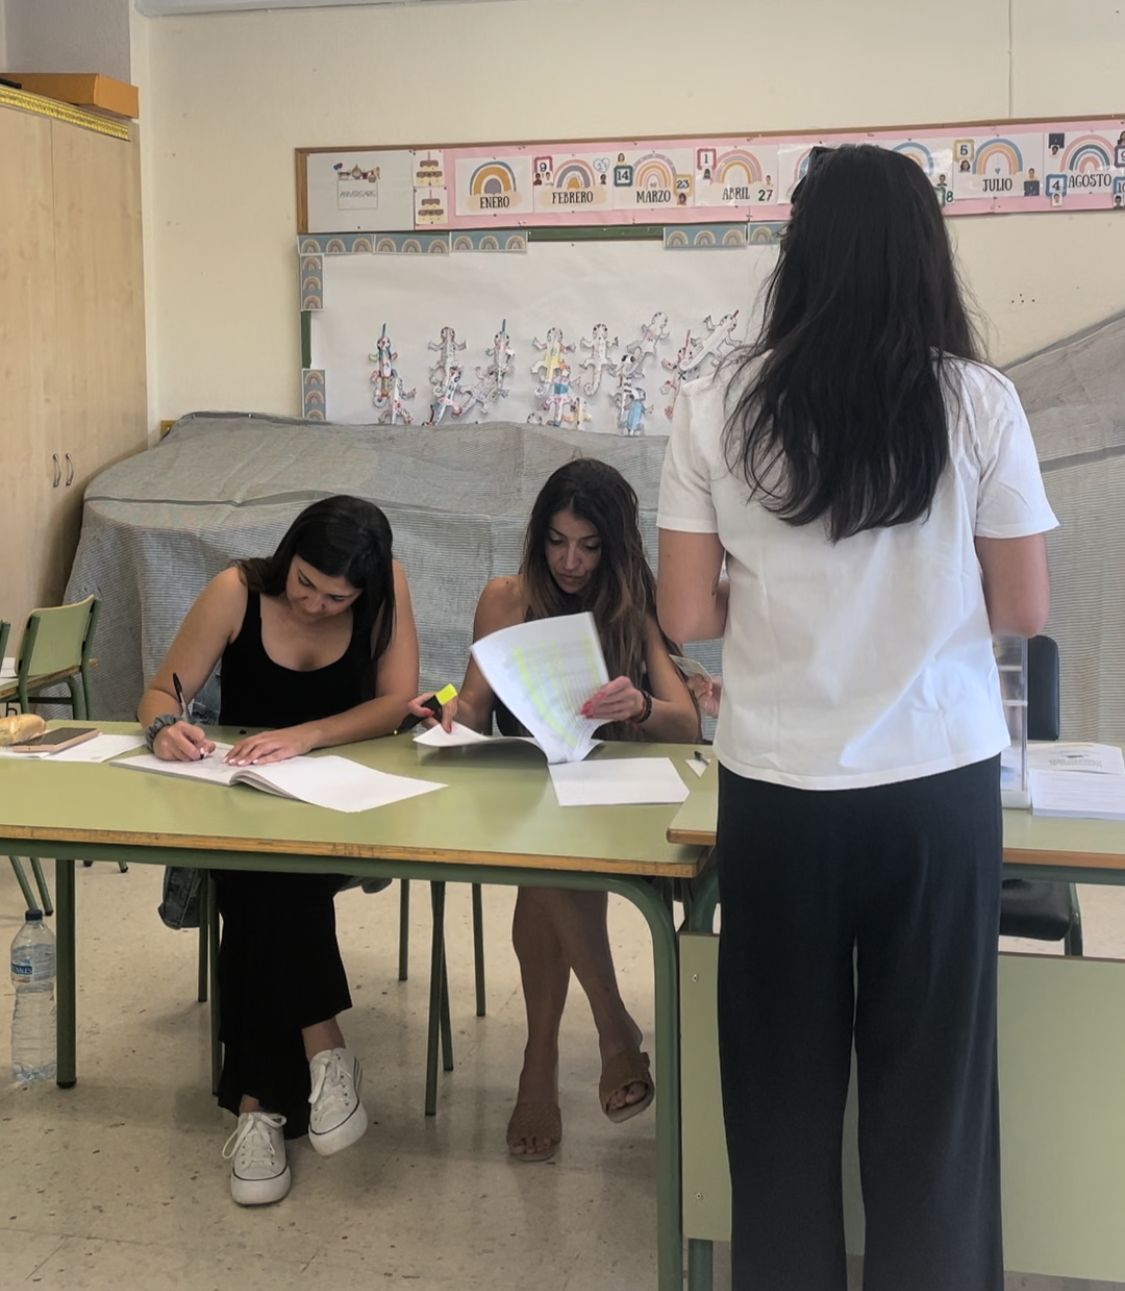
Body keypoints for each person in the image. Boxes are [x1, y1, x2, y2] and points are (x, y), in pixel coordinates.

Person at [656, 144, 1055, 1291]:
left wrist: (788, 593)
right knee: (931, 1095)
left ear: (800, 255)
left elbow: (686, 612)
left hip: (780, 794)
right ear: (927, 253)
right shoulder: (978, 401)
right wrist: (916, 595)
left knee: (778, 1094)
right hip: (936, 793)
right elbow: (1022, 605)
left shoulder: (717, 402)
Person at [410, 458, 699, 1162]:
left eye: (589, 545)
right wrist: (443, 712)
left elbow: (686, 724)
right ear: (537, 535)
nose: (570, 561)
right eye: (557, 540)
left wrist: (641, 704)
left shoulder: (636, 600)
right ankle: (610, 1031)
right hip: (530, 789)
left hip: (618, 792)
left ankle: (541, 1061)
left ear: (615, 546)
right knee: (543, 845)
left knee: (544, 855)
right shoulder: (504, 597)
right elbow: (474, 704)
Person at [138, 495, 419, 1205]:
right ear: (287, 554)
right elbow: (157, 694)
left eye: (339, 596)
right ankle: (318, 1054)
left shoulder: (389, 585)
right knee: (261, 873)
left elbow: (394, 703)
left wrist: (307, 735)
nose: (319, 605)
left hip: (343, 808)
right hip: (242, 807)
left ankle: (258, 1108)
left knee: (262, 883)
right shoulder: (235, 590)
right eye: (305, 585)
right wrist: (166, 727)